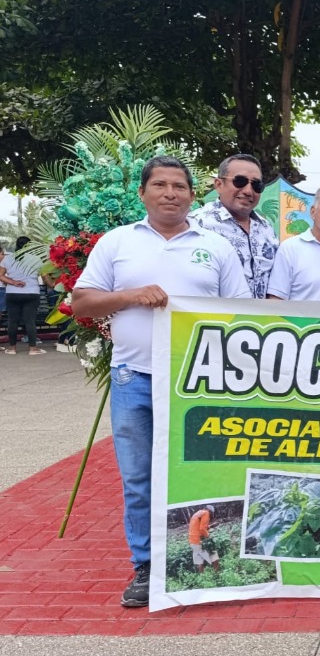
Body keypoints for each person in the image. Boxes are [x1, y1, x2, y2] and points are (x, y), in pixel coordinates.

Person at [72, 155, 251, 607]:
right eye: (160, 185)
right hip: (133, 377)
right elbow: (81, 303)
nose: (170, 193)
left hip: (199, 383)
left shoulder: (216, 247)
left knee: (203, 475)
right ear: (142, 192)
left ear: (193, 195)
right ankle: (146, 567)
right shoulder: (117, 242)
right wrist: (131, 296)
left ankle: (206, 563)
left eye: (179, 186)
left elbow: (243, 313)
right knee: (138, 478)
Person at [189, 154, 278, 298]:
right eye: (240, 181)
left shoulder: (266, 228)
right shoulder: (196, 224)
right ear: (219, 184)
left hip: (261, 313)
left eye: (256, 185)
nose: (248, 191)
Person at [1, 236, 44, 355]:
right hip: (32, 293)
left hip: (12, 293)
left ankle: (12, 349)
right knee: (30, 321)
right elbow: (44, 275)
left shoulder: (8, 259)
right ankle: (33, 349)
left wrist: (14, 282)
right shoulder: (36, 259)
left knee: (12, 321)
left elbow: (1, 275)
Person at [188, 505, 219, 573]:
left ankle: (202, 576)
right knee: (214, 555)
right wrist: (208, 536)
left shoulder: (198, 513)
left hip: (192, 541)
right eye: (211, 514)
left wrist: (210, 526)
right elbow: (202, 529)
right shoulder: (206, 513)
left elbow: (199, 526)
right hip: (198, 540)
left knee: (200, 561)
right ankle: (216, 574)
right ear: (210, 511)